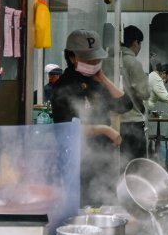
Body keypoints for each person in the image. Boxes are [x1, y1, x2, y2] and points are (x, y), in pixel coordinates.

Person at [50, 29, 132, 205]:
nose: (94, 63)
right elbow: (67, 129)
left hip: (103, 158)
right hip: (79, 161)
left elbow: (125, 105)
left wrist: (102, 78)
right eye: (89, 60)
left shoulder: (96, 83)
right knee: (84, 206)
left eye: (97, 59)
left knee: (104, 203)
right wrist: (105, 130)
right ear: (72, 58)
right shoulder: (63, 86)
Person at [119, 25, 150, 164]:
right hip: (132, 121)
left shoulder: (112, 60)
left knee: (120, 162)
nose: (140, 47)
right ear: (135, 42)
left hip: (114, 121)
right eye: (140, 43)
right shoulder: (133, 63)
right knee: (137, 164)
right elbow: (144, 93)